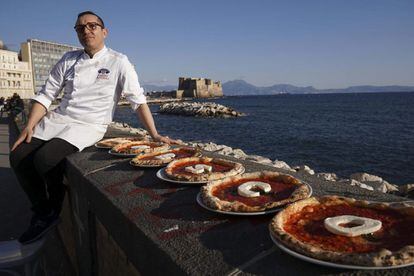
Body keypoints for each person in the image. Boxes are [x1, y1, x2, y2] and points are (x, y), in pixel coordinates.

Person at [9, 11, 179, 244]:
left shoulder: (119, 61)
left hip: (89, 124)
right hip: (59, 119)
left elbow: (137, 101)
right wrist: (29, 126)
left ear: (104, 31)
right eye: (80, 28)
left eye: (92, 26)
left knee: (45, 159)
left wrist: (155, 134)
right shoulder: (69, 59)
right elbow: (46, 95)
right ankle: (42, 211)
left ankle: (53, 208)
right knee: (18, 156)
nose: (86, 30)